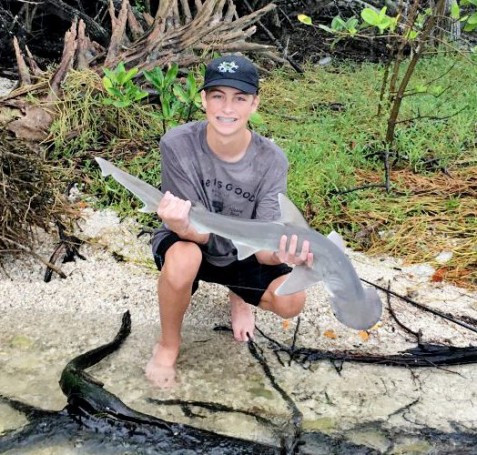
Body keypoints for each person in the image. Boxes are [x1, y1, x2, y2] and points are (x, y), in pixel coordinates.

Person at [146, 54, 313, 388]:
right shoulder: (177, 144)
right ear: (203, 99)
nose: (227, 108)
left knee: (292, 299)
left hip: (246, 250)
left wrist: (284, 255)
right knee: (184, 259)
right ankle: (168, 345)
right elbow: (195, 230)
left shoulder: (271, 160)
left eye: (240, 98)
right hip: (193, 238)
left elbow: (265, 250)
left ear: (254, 104)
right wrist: (178, 225)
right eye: (218, 95)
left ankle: (238, 296)